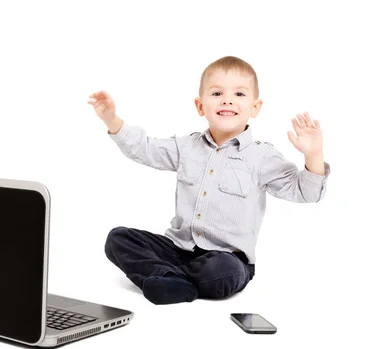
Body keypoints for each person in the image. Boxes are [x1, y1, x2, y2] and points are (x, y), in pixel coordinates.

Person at [87, 55, 331, 305]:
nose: (227, 100)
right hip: (178, 248)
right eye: (217, 94)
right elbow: (144, 149)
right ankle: (175, 279)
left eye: (239, 94)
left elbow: (306, 192)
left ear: (255, 107)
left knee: (221, 273)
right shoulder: (187, 147)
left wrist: (313, 154)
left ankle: (167, 278)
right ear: (200, 106)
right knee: (118, 239)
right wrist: (111, 120)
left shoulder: (262, 156)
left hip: (227, 258)